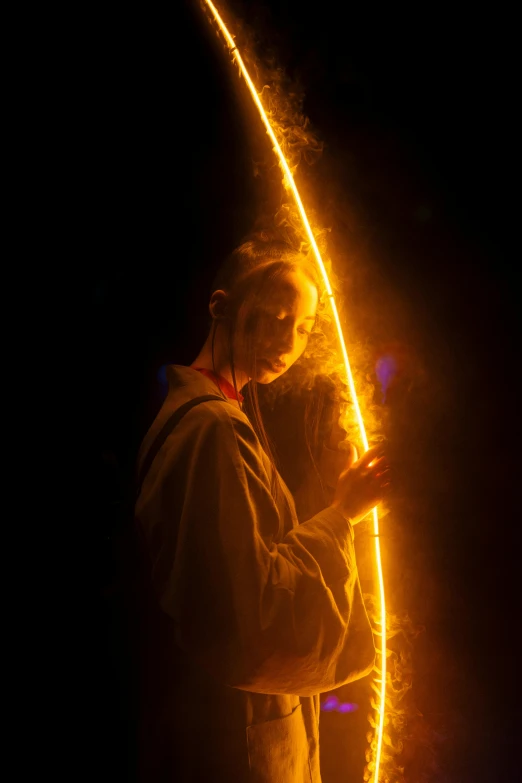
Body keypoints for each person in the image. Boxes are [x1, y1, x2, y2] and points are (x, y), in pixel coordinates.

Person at [134, 230, 390, 782]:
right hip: (232, 743)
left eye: (302, 328)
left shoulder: (219, 414)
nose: (287, 341)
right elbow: (255, 616)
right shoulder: (211, 428)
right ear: (219, 305)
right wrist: (343, 513)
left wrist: (334, 501)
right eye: (275, 316)